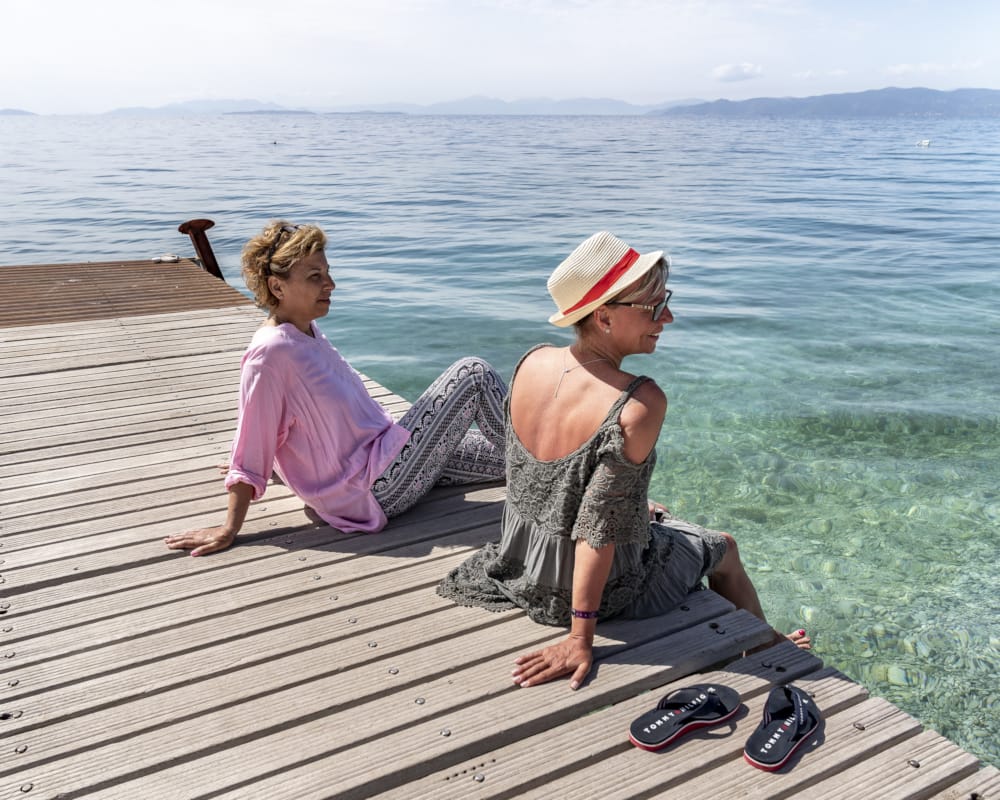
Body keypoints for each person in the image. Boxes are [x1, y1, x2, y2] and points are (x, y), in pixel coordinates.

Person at [436, 231, 810, 689]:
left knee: (651, 511)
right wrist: (580, 638)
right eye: (653, 307)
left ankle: (756, 634)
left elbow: (548, 480)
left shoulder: (532, 361)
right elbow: (596, 532)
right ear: (604, 316)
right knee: (725, 547)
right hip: (589, 588)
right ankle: (768, 645)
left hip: (521, 561)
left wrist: (632, 505)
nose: (668, 317)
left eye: (664, 300)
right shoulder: (639, 402)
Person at [165, 221, 506, 556]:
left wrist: (274, 464)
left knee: (511, 460)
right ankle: (550, 473)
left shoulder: (306, 331)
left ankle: (554, 472)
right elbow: (253, 436)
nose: (330, 284)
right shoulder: (270, 352)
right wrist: (229, 526)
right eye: (315, 277)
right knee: (473, 374)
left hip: (390, 455)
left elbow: (292, 423)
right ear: (277, 287)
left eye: (326, 273)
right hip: (374, 487)